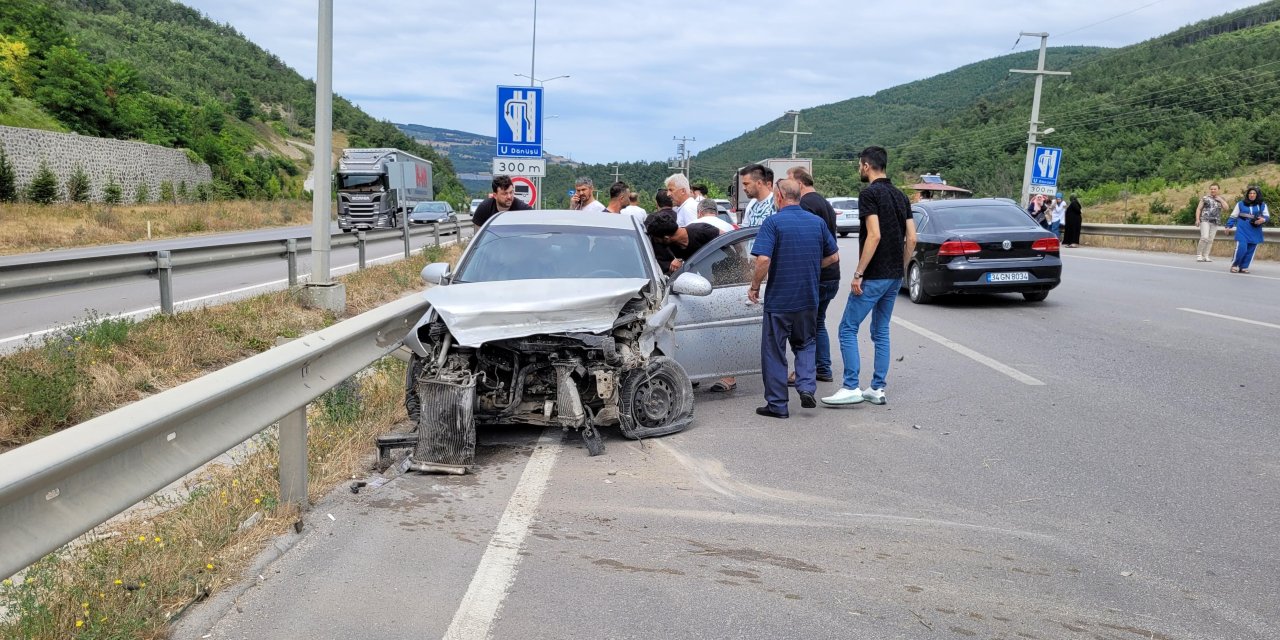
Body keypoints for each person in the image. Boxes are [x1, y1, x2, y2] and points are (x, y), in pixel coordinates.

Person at [822, 146, 916, 407]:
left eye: (859, 165)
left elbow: (874, 235)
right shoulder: (901, 196)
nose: (859, 169)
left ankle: (851, 386)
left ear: (865, 165)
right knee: (881, 331)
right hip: (894, 275)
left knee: (847, 328)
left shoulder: (869, 194)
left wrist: (859, 272)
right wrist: (901, 268)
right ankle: (877, 388)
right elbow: (913, 237)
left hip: (873, 276)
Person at [748, 178, 840, 418]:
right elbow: (833, 257)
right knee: (806, 343)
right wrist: (809, 267)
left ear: (778, 196)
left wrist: (755, 285)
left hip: (780, 300)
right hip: (809, 297)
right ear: (799, 196)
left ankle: (778, 405)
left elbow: (763, 259)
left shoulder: (773, 223)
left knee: (775, 350)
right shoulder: (817, 223)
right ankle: (807, 387)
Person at [788, 166, 840, 383]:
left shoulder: (806, 204)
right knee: (818, 322)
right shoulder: (823, 202)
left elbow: (807, 241)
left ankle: (810, 369)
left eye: (789, 182)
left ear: (799, 184)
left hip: (816, 274)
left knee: (806, 325)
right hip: (831, 274)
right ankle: (823, 368)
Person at [1225, 185, 1270, 274]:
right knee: (1242, 248)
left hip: (1255, 229)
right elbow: (1234, 215)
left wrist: (1262, 220)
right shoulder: (1240, 204)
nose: (1252, 195)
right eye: (1250, 193)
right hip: (1243, 228)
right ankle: (1235, 265)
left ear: (1257, 195)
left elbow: (1266, 216)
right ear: (1247, 194)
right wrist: (1228, 226)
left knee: (1251, 250)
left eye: (1254, 193)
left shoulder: (1262, 205)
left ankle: (1244, 267)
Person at [1194, 183, 1229, 262]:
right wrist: (1197, 219)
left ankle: (1206, 255)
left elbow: (1226, 208)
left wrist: (1220, 200)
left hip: (1215, 221)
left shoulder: (1221, 198)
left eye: (1215, 189)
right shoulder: (1205, 198)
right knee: (1205, 237)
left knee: (1210, 239)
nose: (1213, 190)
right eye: (1211, 189)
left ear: (1218, 190)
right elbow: (1198, 209)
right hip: (1205, 220)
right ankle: (1199, 255)